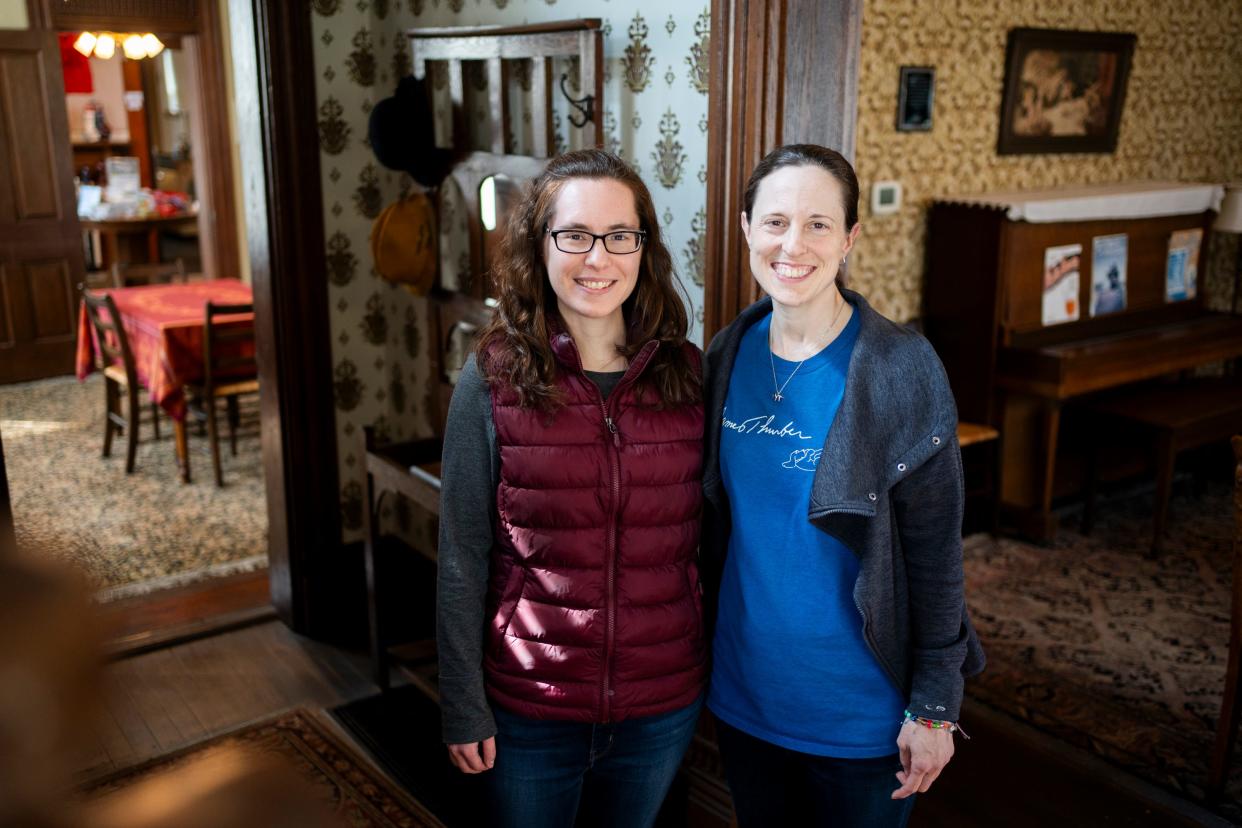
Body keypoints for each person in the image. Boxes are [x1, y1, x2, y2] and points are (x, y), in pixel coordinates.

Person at [700, 144, 986, 826]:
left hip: (863, 716)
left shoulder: (900, 371)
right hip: (746, 697)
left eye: (818, 224)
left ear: (850, 237)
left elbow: (936, 556)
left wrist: (935, 707)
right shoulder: (724, 356)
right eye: (774, 222)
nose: (792, 245)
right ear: (745, 229)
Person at [436, 149, 706, 828]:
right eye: (575, 235)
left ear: (643, 247)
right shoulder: (492, 376)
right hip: (530, 707)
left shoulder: (689, 375)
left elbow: (718, 540)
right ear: (540, 245)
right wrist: (462, 702)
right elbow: (463, 553)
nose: (598, 258)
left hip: (661, 703)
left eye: (620, 236)